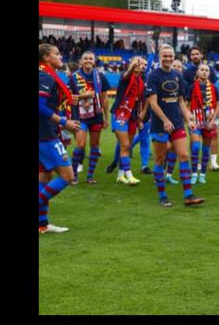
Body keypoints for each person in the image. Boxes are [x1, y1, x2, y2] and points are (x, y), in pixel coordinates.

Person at [147, 45, 205, 207]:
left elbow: (181, 101)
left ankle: (188, 195)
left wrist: (189, 118)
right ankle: (163, 196)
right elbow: (153, 103)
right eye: (165, 56)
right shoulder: (153, 76)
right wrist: (165, 120)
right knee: (160, 159)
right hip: (160, 125)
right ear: (160, 57)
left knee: (184, 155)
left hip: (177, 123)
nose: (168, 59)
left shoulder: (178, 75)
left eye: (170, 56)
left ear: (174, 57)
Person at [38, 44, 80, 234]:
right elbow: (39, 106)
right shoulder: (45, 77)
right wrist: (64, 121)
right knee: (68, 176)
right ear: (47, 58)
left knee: (44, 178)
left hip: (44, 133)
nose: (61, 56)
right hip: (45, 135)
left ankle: (42, 224)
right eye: (56, 54)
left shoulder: (46, 75)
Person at [69, 51, 112, 185]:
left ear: (94, 61)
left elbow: (105, 98)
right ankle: (73, 174)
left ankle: (90, 176)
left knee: (94, 145)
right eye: (85, 58)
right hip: (80, 116)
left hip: (97, 115)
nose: (88, 60)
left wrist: (106, 117)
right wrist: (84, 96)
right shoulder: (74, 77)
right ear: (81, 61)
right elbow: (69, 97)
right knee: (80, 144)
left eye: (91, 58)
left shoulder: (100, 76)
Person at [109, 55, 148, 185]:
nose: (140, 65)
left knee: (126, 146)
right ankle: (129, 175)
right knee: (125, 145)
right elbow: (126, 75)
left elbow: (141, 101)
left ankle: (120, 175)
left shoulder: (141, 81)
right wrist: (132, 67)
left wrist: (140, 118)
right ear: (131, 63)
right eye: (137, 62)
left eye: (142, 64)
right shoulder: (125, 76)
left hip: (132, 116)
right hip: (120, 113)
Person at [188, 64, 219, 184]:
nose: (204, 72)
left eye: (206, 70)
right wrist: (189, 118)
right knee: (196, 147)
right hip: (196, 121)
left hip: (209, 121)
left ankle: (202, 174)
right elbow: (187, 104)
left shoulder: (213, 87)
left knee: (206, 149)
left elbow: (218, 105)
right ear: (197, 72)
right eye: (202, 70)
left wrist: (213, 120)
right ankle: (193, 173)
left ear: (209, 73)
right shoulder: (192, 87)